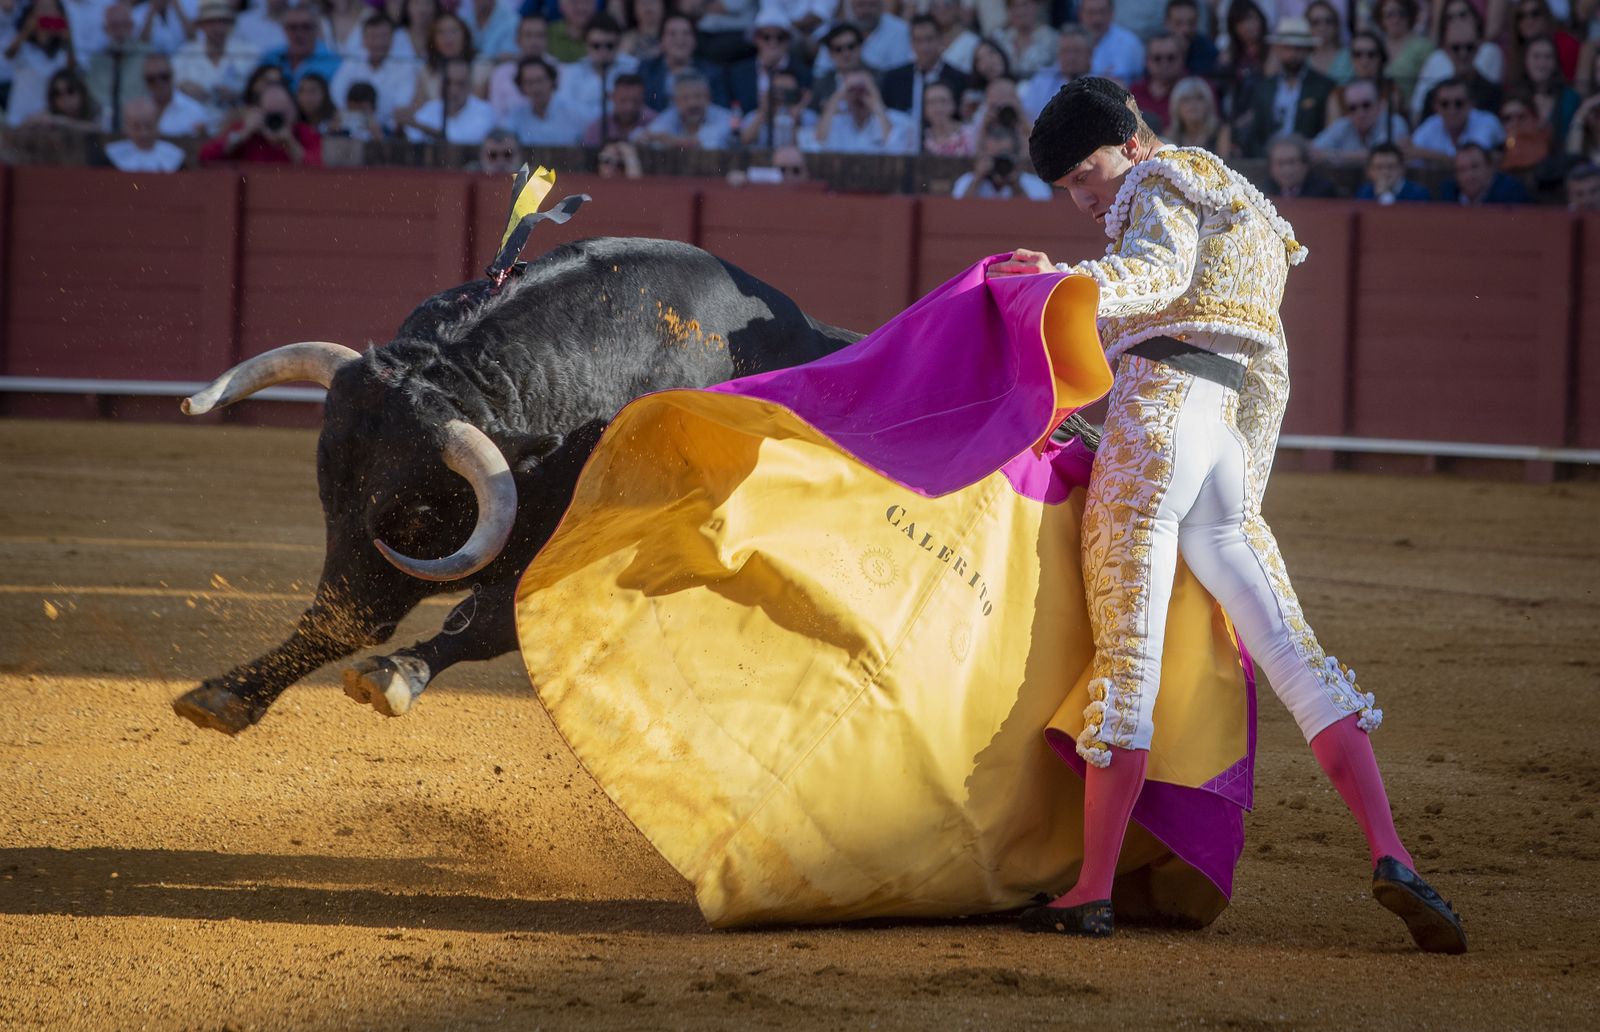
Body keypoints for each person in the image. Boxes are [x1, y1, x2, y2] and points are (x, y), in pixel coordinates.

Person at [990, 76, 1467, 954]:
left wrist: (1063, 281)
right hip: (1222, 436)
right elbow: (1271, 365)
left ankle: (1090, 889)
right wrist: (1244, 487)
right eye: (1066, 187)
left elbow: (1156, 273)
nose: (1082, 195)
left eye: (1085, 173)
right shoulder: (1252, 210)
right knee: (1292, 649)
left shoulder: (1159, 182)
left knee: (1126, 656)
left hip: (1159, 423)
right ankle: (1392, 851)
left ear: (1132, 142)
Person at [1242, 17, 1336, 157]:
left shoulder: (1323, 86)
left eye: (1298, 48)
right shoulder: (1265, 87)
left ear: (1307, 51)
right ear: (1278, 50)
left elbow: (1330, 131)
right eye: (1287, 48)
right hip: (1268, 158)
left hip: (1309, 160)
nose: (1292, 54)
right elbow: (1257, 130)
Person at [173, 0, 259, 132]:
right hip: (193, 127)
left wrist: (238, 95)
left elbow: (260, 90)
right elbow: (166, 85)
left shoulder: (249, 53)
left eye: (221, 21)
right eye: (210, 22)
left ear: (229, 24)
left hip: (236, 126)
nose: (216, 27)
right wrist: (183, 88)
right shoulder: (184, 55)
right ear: (201, 25)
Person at [198, 79, 322, 164]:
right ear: (259, 112)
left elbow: (321, 170)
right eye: (271, 114)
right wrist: (242, 134)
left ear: (293, 112)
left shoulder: (303, 133)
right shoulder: (248, 132)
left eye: (281, 115)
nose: (276, 120)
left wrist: (291, 143)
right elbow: (205, 157)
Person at [328, 13, 415, 129]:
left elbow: (401, 106)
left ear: (392, 38)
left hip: (386, 131)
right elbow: (337, 92)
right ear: (363, 39)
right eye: (373, 36)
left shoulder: (405, 67)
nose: (378, 42)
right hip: (350, 125)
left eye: (383, 36)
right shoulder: (352, 61)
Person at [803, 66, 916, 152]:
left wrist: (877, 106)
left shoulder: (895, 119)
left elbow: (896, 148)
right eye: (851, 90)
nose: (858, 96)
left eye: (863, 90)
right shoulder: (837, 121)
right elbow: (818, 143)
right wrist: (836, 98)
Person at [724, 7, 812, 118]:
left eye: (780, 37)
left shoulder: (803, 72)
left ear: (788, 40)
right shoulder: (738, 72)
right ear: (756, 39)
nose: (773, 42)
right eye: (766, 37)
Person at [881, 13, 967, 117]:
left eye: (929, 39)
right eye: (918, 40)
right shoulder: (892, 80)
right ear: (911, 43)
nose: (924, 47)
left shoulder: (960, 80)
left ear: (941, 40)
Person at [637, 11, 721, 113]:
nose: (680, 39)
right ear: (661, 41)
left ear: (695, 41)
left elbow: (720, 111)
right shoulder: (647, 70)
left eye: (686, 33)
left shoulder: (712, 73)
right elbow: (642, 111)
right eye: (672, 34)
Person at [633, 67, 735, 148]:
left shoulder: (726, 118)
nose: (693, 103)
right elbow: (638, 135)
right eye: (686, 98)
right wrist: (648, 137)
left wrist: (671, 140)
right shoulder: (671, 114)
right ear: (676, 101)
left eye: (698, 96)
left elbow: (708, 142)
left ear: (708, 97)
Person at [403, 55, 496, 143]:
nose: (453, 90)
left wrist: (420, 127)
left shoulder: (485, 111)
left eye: (461, 84)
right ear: (440, 84)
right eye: (448, 83)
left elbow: (459, 142)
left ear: (470, 87)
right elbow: (411, 138)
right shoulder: (430, 108)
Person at [1311, 76, 1410, 159]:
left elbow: (1378, 156)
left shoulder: (1394, 123)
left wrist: (1333, 155)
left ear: (1379, 105)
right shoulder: (1344, 124)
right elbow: (1313, 151)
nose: (1360, 113)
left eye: (1366, 105)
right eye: (1353, 108)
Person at [951, 120, 1052, 197]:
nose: (1000, 164)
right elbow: (958, 212)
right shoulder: (966, 181)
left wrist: (1016, 186)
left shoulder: (1035, 185)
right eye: (995, 158)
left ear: (1016, 157)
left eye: (1005, 157)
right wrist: (977, 179)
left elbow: (1038, 217)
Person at [1411, 75, 1505, 155]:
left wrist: (1425, 154)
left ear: (1471, 104)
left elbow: (1470, 160)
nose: (1452, 110)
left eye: (1459, 103)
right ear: (1436, 107)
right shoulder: (1430, 125)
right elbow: (1410, 152)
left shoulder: (1487, 123)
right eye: (1444, 104)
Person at [502, 54, 583, 145]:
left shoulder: (575, 114)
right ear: (522, 87)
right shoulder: (516, 116)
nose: (536, 88)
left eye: (540, 80)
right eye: (529, 82)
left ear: (552, 81)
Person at [261, 3, 341, 92]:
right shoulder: (270, 58)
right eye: (293, 27)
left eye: (306, 27)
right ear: (284, 30)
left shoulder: (333, 63)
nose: (299, 34)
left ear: (316, 29)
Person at [1019, 25, 1090, 119]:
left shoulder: (1101, 82)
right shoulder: (1042, 78)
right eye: (1066, 51)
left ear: (1090, 53)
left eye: (1076, 51)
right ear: (1058, 54)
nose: (1071, 57)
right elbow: (1028, 114)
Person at [736, 65, 816, 147]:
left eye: (788, 92)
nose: (782, 96)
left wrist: (795, 119)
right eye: (778, 90)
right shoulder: (754, 116)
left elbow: (807, 148)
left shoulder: (809, 117)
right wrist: (764, 110)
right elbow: (744, 141)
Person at [1128, 30, 1189, 130]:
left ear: (1182, 59)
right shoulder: (1134, 92)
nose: (1164, 63)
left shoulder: (1195, 92)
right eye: (1157, 58)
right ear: (1147, 61)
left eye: (1171, 58)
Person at [105, 92, 184, 168]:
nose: (144, 133)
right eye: (136, 127)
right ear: (127, 127)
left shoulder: (175, 160)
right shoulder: (109, 160)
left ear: (157, 124)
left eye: (148, 126)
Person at [1375, 0, 1434, 103]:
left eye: (1402, 14)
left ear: (1410, 15)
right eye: (1390, 14)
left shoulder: (1423, 47)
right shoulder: (1374, 47)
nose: (1396, 19)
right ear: (1381, 19)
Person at [141, 52, 210, 136]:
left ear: (173, 76)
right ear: (145, 82)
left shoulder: (195, 111)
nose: (159, 83)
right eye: (151, 79)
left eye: (164, 77)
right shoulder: (137, 111)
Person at [1437, 140, 1531, 202]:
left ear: (1489, 168)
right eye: (1462, 169)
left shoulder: (1511, 192)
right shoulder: (1448, 192)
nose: (1469, 175)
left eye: (1475, 167)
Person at [578, 70, 654, 145]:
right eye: (623, 100)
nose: (629, 107)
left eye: (635, 101)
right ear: (612, 97)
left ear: (643, 98)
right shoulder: (596, 128)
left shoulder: (655, 124)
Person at [1078, 0, 1144, 85]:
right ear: (1080, 14)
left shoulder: (1130, 44)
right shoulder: (1070, 43)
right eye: (1091, 12)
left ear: (1111, 13)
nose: (1097, 19)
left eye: (1102, 12)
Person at [1264, 131, 1341, 195]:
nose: (1286, 169)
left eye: (1292, 162)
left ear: (1305, 165)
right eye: (1280, 163)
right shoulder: (1264, 192)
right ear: (1271, 167)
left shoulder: (1324, 191)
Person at [996, 0, 1057, 79]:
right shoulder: (1001, 38)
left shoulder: (1052, 38)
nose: (1019, 11)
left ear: (1036, 6)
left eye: (1025, 5)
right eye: (1014, 6)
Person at [1165, 73, 1228, 150]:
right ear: (1176, 107)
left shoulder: (1222, 132)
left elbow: (1226, 161)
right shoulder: (1169, 136)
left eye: (1199, 98)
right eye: (1185, 99)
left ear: (1208, 104)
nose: (1192, 104)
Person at [1355, 140, 1432, 200]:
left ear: (1402, 169)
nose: (1385, 172)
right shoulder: (1364, 193)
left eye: (1391, 167)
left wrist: (1384, 196)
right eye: (1379, 167)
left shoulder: (1418, 193)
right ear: (1370, 171)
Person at [1162, 0, 1216, 77]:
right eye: (1178, 23)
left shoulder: (1208, 49)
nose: (1186, 29)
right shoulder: (1157, 49)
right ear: (1167, 23)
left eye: (1191, 23)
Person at [920, 78, 974, 153]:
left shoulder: (970, 135)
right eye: (931, 102)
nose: (938, 107)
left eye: (943, 101)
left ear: (953, 104)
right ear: (925, 108)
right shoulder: (919, 139)